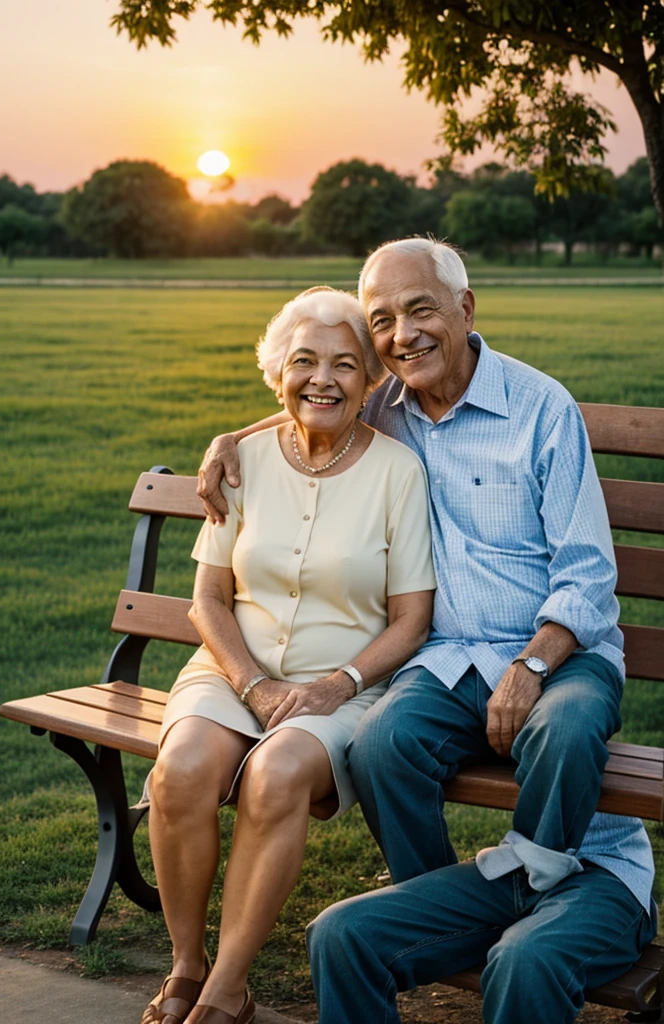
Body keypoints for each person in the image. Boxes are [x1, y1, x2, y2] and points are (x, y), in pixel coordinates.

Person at [198, 238, 625, 891]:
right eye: (382, 321)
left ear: (466, 309)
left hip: (560, 652)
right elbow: (310, 401)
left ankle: (536, 894)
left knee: (564, 732)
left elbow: (588, 572)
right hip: (448, 657)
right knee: (379, 749)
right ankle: (435, 910)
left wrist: (531, 665)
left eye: (420, 310)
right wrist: (231, 440)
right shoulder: (383, 406)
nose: (403, 336)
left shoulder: (541, 409)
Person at [141, 286, 436, 1024]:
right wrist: (251, 682)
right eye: (303, 362)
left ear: (371, 382)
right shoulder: (239, 459)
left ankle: (227, 989)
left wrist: (339, 684)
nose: (322, 380)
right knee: (179, 772)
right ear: (278, 375)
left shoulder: (398, 473)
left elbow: (412, 620)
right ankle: (186, 963)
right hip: (231, 672)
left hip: (345, 689)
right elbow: (207, 601)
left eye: (345, 365)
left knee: (275, 777)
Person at [306, 812, 657, 1024]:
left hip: (609, 874)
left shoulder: (575, 691)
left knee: (525, 959)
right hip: (517, 863)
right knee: (340, 932)